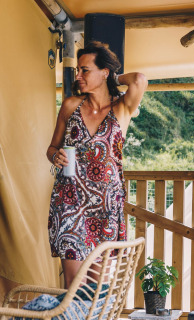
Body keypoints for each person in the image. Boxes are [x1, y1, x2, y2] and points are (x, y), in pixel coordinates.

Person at [46, 41, 147, 288]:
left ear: (104, 72)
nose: (78, 75)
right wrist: (55, 156)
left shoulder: (122, 107)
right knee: (73, 286)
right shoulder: (70, 106)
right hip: (69, 203)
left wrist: (113, 76)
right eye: (78, 70)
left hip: (104, 208)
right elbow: (52, 148)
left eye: (85, 70)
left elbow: (140, 79)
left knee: (97, 285)